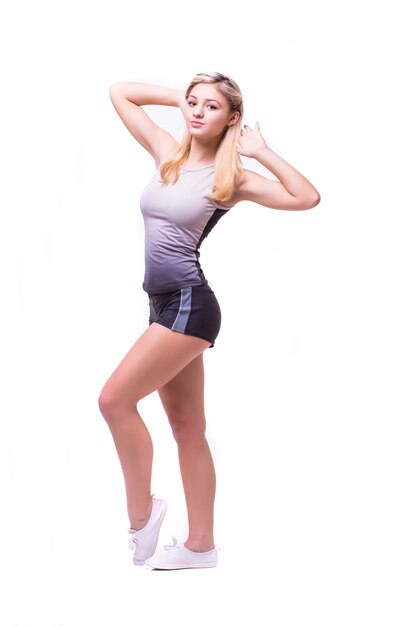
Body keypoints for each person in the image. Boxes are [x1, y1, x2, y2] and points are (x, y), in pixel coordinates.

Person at [98, 72, 320, 570]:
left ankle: (142, 516)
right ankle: (201, 546)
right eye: (193, 104)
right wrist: (182, 95)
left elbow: (306, 197)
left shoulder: (231, 178)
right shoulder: (166, 153)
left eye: (211, 106)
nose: (197, 112)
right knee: (188, 428)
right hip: (162, 304)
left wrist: (261, 151)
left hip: (188, 304)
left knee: (113, 400)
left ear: (232, 118)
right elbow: (120, 91)